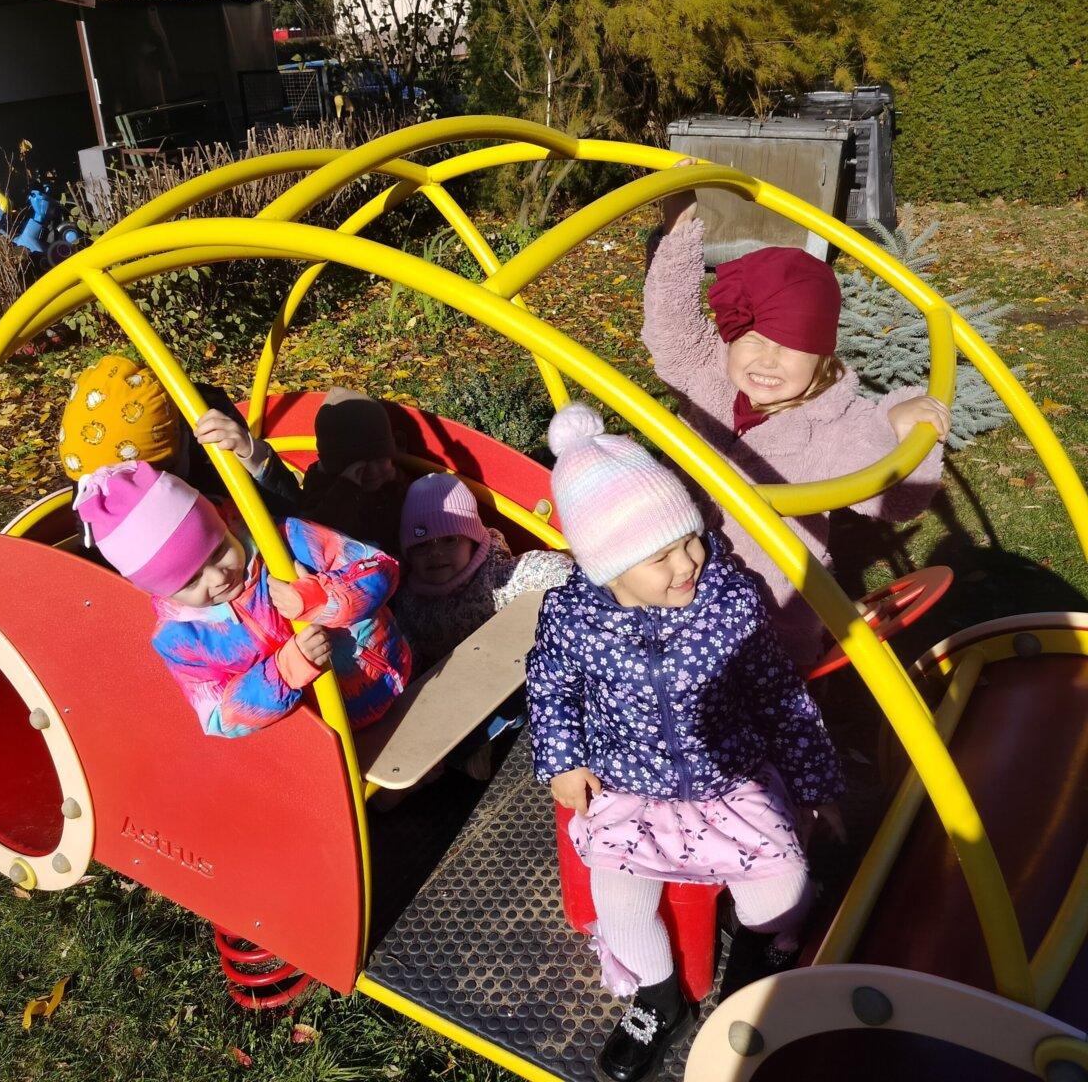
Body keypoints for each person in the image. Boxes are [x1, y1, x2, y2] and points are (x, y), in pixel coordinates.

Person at [526, 405, 844, 1082]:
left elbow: (779, 695)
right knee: (619, 907)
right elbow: (550, 687)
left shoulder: (728, 603)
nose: (688, 563)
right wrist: (563, 760)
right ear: (608, 567)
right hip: (630, 788)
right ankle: (658, 996)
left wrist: (814, 784)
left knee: (782, 889)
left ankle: (758, 965)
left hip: (729, 781)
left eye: (691, 540)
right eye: (661, 557)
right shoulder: (575, 620)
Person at [643, 176, 950, 669]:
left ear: (821, 357)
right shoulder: (710, 373)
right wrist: (679, 227)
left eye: (790, 347)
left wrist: (899, 423)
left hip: (763, 621)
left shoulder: (833, 425)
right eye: (754, 340)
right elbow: (671, 328)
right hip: (664, 591)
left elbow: (897, 498)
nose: (767, 361)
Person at [74, 460, 410, 738]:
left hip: (395, 669)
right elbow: (218, 717)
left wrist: (320, 598)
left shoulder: (284, 541)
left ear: (221, 523)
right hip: (330, 736)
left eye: (218, 551)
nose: (218, 577)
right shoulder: (179, 638)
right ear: (161, 591)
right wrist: (285, 670)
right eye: (191, 581)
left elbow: (382, 568)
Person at [58, 355, 301, 519]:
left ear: (183, 440)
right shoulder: (92, 477)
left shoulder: (212, 446)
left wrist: (252, 456)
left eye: (155, 476)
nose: (133, 491)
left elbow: (293, 515)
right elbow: (93, 550)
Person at [394, 472, 572, 673]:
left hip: (517, 672)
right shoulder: (408, 603)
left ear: (472, 541)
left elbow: (545, 568)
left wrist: (573, 583)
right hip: (461, 684)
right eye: (421, 545)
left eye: (450, 540)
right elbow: (408, 662)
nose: (435, 552)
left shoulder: (496, 577)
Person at [299, 387, 406, 557]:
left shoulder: (395, 480)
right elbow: (318, 537)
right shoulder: (321, 486)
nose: (373, 471)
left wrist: (394, 481)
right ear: (333, 466)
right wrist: (346, 489)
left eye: (380, 460)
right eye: (358, 465)